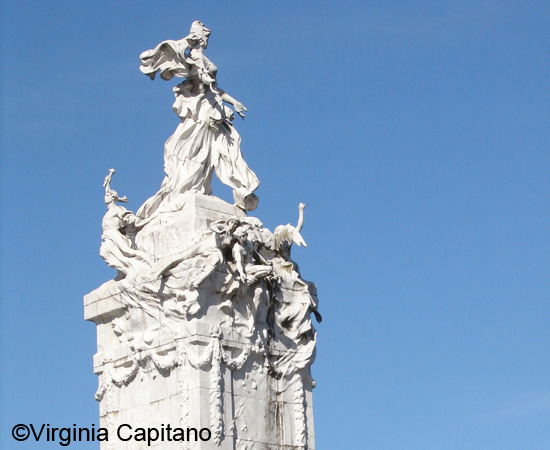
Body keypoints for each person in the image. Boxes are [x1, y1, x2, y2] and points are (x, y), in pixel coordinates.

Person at [136, 21, 259, 223]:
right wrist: (204, 79)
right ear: (198, 36)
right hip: (201, 111)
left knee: (217, 151)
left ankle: (201, 188)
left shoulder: (202, 57)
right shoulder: (194, 57)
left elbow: (215, 90)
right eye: (205, 35)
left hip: (212, 109)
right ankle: (189, 187)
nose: (207, 39)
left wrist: (234, 101)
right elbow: (203, 81)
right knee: (196, 149)